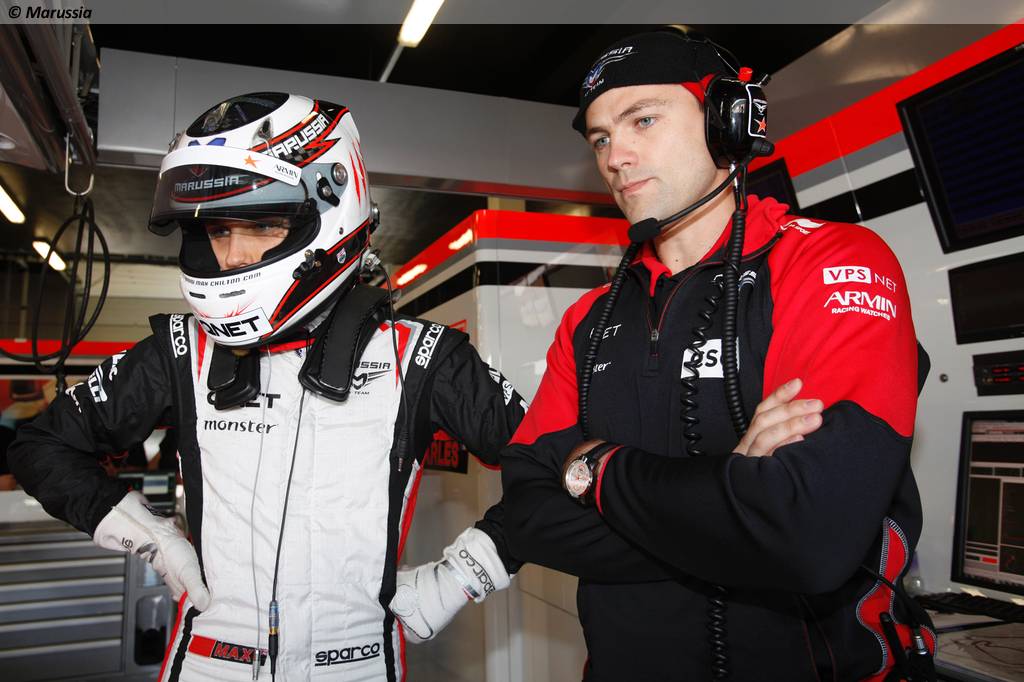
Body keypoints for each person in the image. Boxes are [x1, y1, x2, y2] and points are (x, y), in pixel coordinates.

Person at [7, 92, 525, 682]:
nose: (231, 256)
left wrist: (465, 574)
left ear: (331, 211)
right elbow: (39, 446)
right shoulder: (180, 351)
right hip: (208, 664)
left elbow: (558, 470)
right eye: (218, 229)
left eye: (260, 224)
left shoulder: (422, 357)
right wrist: (153, 538)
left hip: (354, 666)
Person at [502, 30, 935, 682]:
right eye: (599, 138)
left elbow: (810, 536)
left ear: (728, 121)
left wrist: (596, 467)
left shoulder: (831, 262)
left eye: (643, 120)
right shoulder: (586, 320)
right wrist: (731, 498)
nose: (616, 156)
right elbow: (528, 514)